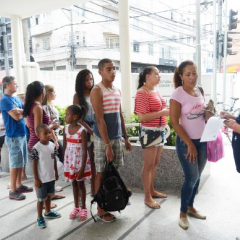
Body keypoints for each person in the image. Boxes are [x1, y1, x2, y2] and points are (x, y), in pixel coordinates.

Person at [90, 58, 132, 222]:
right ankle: (101, 208)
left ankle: (111, 199)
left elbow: (119, 115)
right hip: (103, 139)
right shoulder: (97, 90)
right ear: (100, 72)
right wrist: (107, 144)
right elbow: (100, 120)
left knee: (112, 171)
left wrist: (125, 137)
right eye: (108, 69)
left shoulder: (116, 90)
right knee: (101, 172)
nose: (112, 71)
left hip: (116, 137)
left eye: (114, 68)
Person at [170, 60, 207, 230]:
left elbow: (202, 116)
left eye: (194, 73)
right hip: (187, 143)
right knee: (191, 178)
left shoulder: (199, 90)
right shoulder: (177, 94)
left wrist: (210, 111)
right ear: (181, 76)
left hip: (203, 140)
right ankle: (183, 213)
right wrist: (189, 144)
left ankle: (191, 207)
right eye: (188, 74)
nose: (192, 77)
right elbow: (175, 122)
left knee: (197, 176)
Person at [23, 81, 62, 208]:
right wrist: (52, 125)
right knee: (41, 174)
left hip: (34, 143)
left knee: (44, 171)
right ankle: (44, 201)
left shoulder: (31, 106)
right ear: (42, 91)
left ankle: (49, 196)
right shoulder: (38, 107)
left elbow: (29, 125)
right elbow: (37, 129)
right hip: (38, 144)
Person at [134, 66, 169, 209]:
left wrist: (164, 112)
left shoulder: (155, 91)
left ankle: (152, 190)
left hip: (159, 131)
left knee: (154, 163)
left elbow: (163, 110)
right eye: (157, 74)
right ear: (147, 77)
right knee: (148, 165)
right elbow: (142, 117)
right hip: (149, 132)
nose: (159, 77)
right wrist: (162, 112)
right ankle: (147, 197)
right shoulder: (142, 93)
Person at [0, 76, 33, 200]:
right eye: (15, 84)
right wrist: (21, 112)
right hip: (13, 135)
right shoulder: (5, 100)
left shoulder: (16, 99)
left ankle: (19, 185)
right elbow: (16, 117)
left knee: (21, 162)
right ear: (7, 85)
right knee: (15, 163)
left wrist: (20, 111)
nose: (17, 86)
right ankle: (13, 190)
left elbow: (25, 111)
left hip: (22, 133)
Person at [63, 105, 91, 221]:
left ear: (74, 117)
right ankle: (76, 207)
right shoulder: (65, 129)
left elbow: (85, 151)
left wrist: (82, 168)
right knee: (73, 184)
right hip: (70, 162)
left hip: (80, 163)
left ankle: (84, 208)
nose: (65, 117)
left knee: (81, 184)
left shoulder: (82, 131)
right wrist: (65, 161)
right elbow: (65, 146)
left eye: (67, 115)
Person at [31, 124, 61, 229]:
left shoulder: (52, 145)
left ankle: (48, 212)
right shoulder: (36, 148)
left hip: (51, 177)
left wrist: (56, 173)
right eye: (45, 133)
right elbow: (34, 165)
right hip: (42, 179)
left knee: (49, 196)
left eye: (49, 132)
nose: (49, 135)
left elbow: (54, 161)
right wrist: (36, 179)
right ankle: (39, 217)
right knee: (40, 199)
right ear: (38, 135)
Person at [73, 69, 96, 196]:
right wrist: (90, 130)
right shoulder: (78, 96)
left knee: (95, 161)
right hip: (85, 130)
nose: (90, 82)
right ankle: (90, 189)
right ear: (81, 82)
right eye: (87, 80)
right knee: (87, 160)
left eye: (91, 79)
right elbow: (78, 118)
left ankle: (95, 188)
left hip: (96, 128)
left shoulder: (95, 92)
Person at [42, 85, 64, 193]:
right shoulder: (45, 107)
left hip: (53, 135)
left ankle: (53, 183)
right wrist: (55, 140)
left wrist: (60, 127)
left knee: (57, 160)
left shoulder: (50, 106)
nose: (56, 94)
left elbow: (53, 123)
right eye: (54, 92)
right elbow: (48, 125)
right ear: (49, 93)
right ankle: (52, 183)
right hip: (51, 137)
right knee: (60, 159)